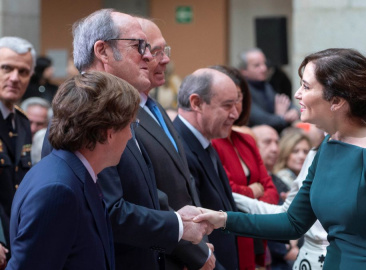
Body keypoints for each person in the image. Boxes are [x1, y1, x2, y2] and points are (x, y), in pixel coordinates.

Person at [195, 48, 366, 269]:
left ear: (336, 101)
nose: (297, 94)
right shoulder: (329, 145)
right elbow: (293, 222)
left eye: (306, 86)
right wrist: (223, 220)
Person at [42, 11, 213, 270]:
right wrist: (179, 226)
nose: (148, 56)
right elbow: (107, 210)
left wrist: (181, 227)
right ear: (103, 51)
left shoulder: (117, 110)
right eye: (138, 46)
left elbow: (143, 192)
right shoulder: (84, 114)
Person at [8, 71, 139, 270]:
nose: (130, 136)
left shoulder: (74, 173)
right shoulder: (58, 190)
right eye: (130, 125)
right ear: (108, 132)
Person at [135, 18, 214, 269]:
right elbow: (145, 197)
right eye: (155, 52)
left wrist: (200, 241)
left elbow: (183, 184)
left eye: (164, 51)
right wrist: (194, 252)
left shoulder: (153, 106)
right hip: (161, 254)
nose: (165, 59)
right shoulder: (123, 115)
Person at [210, 65, 279, 269]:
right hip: (228, 236)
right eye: (228, 101)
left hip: (257, 235)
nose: (235, 106)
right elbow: (226, 192)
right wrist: (253, 191)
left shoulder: (247, 140)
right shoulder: (211, 142)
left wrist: (254, 200)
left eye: (238, 98)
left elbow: (271, 188)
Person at [173, 68, 240, 270]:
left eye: (236, 105)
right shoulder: (180, 148)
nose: (235, 114)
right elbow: (188, 222)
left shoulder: (203, 142)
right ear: (197, 103)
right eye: (227, 106)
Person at [233, 145, 329, 269]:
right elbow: (287, 214)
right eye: (296, 150)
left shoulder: (358, 152)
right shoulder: (313, 154)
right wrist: (228, 210)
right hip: (305, 260)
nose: (301, 155)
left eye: (303, 151)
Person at [0, 36, 35, 268]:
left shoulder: (22, 122)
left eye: (23, 72)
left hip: (16, 242)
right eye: (6, 68)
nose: (14, 78)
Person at [238, 48, 299, 132]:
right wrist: (281, 117)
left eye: (264, 63)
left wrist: (294, 111)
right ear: (244, 71)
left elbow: (285, 103)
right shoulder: (241, 91)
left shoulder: (266, 85)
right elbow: (261, 120)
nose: (264, 68)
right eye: (257, 65)